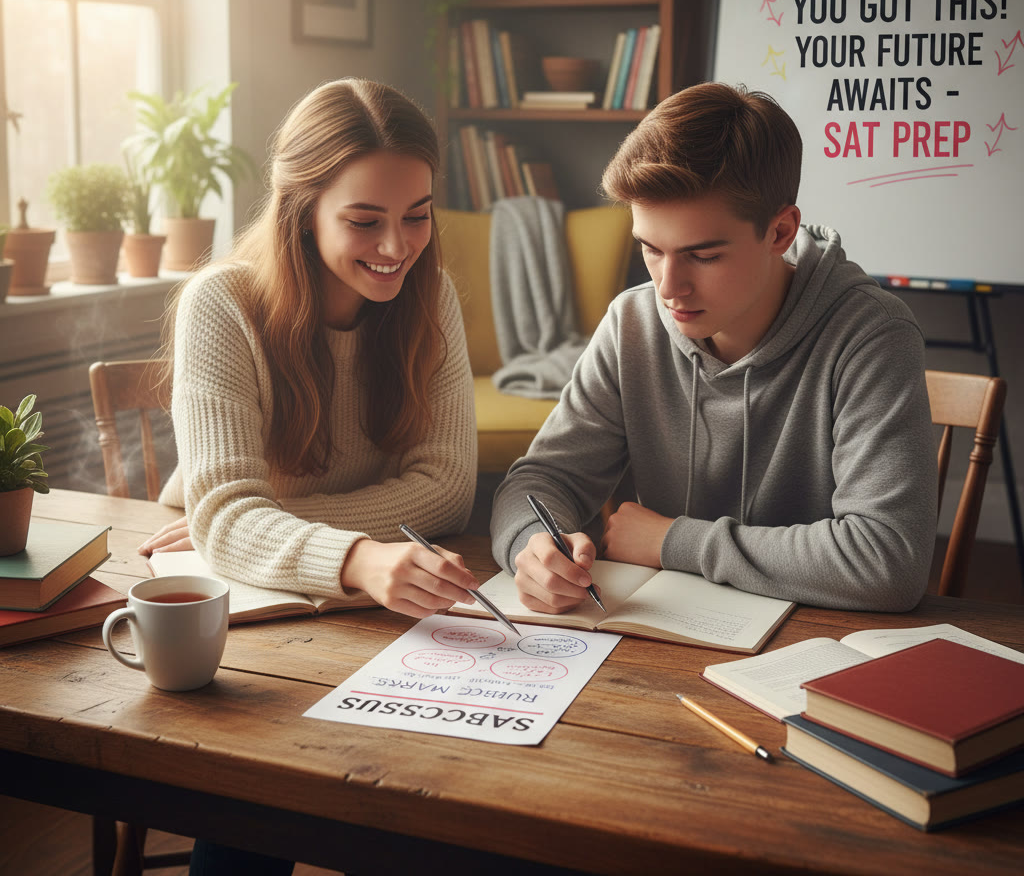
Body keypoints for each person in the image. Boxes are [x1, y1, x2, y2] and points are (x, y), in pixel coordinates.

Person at [138, 79, 480, 875]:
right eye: (364, 220)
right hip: (260, 619)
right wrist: (351, 554)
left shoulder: (431, 298)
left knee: (448, 798)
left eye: (418, 214)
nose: (398, 246)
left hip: (350, 606)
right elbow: (224, 522)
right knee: (253, 801)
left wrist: (273, 521)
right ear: (301, 209)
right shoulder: (219, 306)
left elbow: (450, 486)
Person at [491, 81, 937, 616]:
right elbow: (543, 481)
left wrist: (672, 542)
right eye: (650, 250)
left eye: (702, 256)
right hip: (660, 643)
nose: (668, 287)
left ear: (779, 231)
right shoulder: (632, 322)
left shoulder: (871, 335)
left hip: (813, 643)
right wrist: (531, 548)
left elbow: (887, 561)